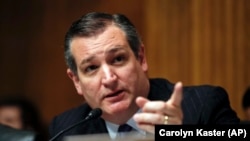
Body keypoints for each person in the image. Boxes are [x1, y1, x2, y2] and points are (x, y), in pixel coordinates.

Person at [49, 12, 240, 140]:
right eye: (91, 68)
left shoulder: (204, 106)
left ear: (141, 59)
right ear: (77, 81)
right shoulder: (66, 129)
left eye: (118, 59)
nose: (108, 78)